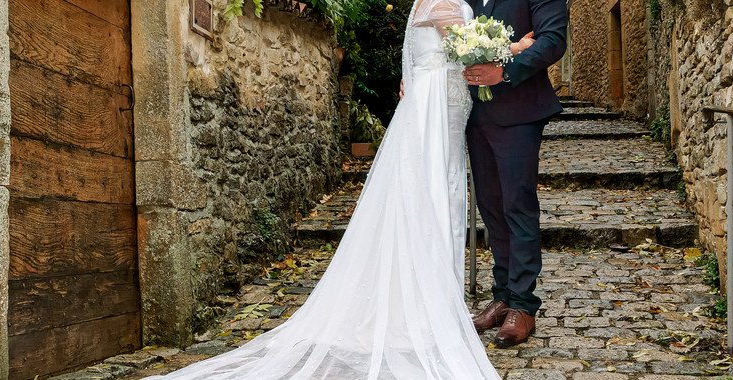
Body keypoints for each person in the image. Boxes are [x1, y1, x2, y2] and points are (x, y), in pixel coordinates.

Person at [143, 0, 532, 378]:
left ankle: (427, 300)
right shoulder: (441, 5)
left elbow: (427, 56)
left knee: (429, 195)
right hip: (436, 109)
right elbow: (467, 49)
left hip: (437, 104)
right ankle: (427, 309)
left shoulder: (426, 5)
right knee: (432, 197)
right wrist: (515, 47)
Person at [462, 0, 568, 348]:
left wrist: (505, 71)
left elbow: (552, 39)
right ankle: (503, 296)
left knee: (517, 207)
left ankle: (523, 305)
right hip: (475, 115)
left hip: (520, 112)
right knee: (492, 209)